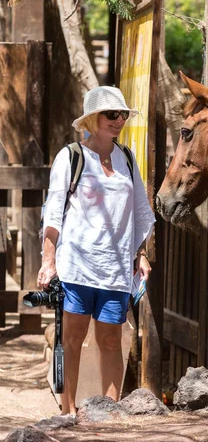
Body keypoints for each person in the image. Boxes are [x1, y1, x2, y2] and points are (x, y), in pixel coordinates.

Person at [37, 85, 155, 416]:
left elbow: (139, 211)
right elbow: (54, 212)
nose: (118, 121)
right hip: (76, 265)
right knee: (72, 341)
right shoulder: (71, 156)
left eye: (122, 115)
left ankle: (111, 414)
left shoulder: (127, 159)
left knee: (110, 342)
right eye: (110, 115)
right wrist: (49, 262)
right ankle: (68, 413)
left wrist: (140, 254)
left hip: (115, 268)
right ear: (93, 119)